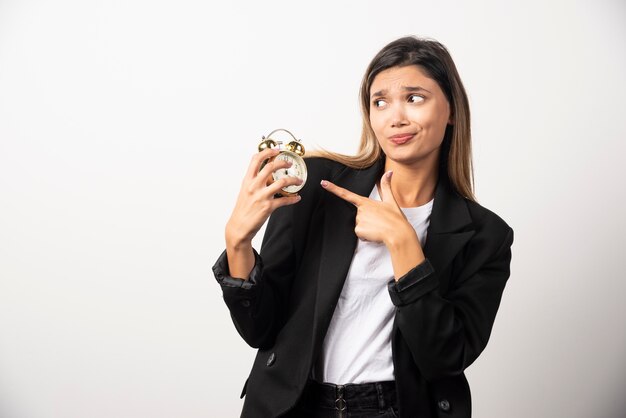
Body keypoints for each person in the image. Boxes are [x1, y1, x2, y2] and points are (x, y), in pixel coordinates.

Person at [212, 36, 514, 418]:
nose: (395, 117)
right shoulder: (318, 187)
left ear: (451, 110)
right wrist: (238, 242)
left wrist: (403, 243)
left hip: (396, 408)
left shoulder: (487, 235)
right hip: (297, 406)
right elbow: (261, 330)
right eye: (380, 101)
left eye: (414, 98)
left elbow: (445, 357)